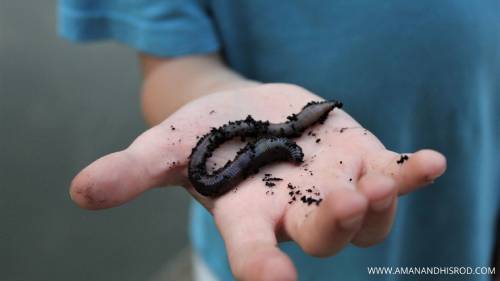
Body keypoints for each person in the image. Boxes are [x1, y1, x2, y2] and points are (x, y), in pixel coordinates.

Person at [59, 1, 499, 280]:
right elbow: (174, 66)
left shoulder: (284, 136)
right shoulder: (277, 140)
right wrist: (206, 97)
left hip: (464, 234)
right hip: (269, 253)